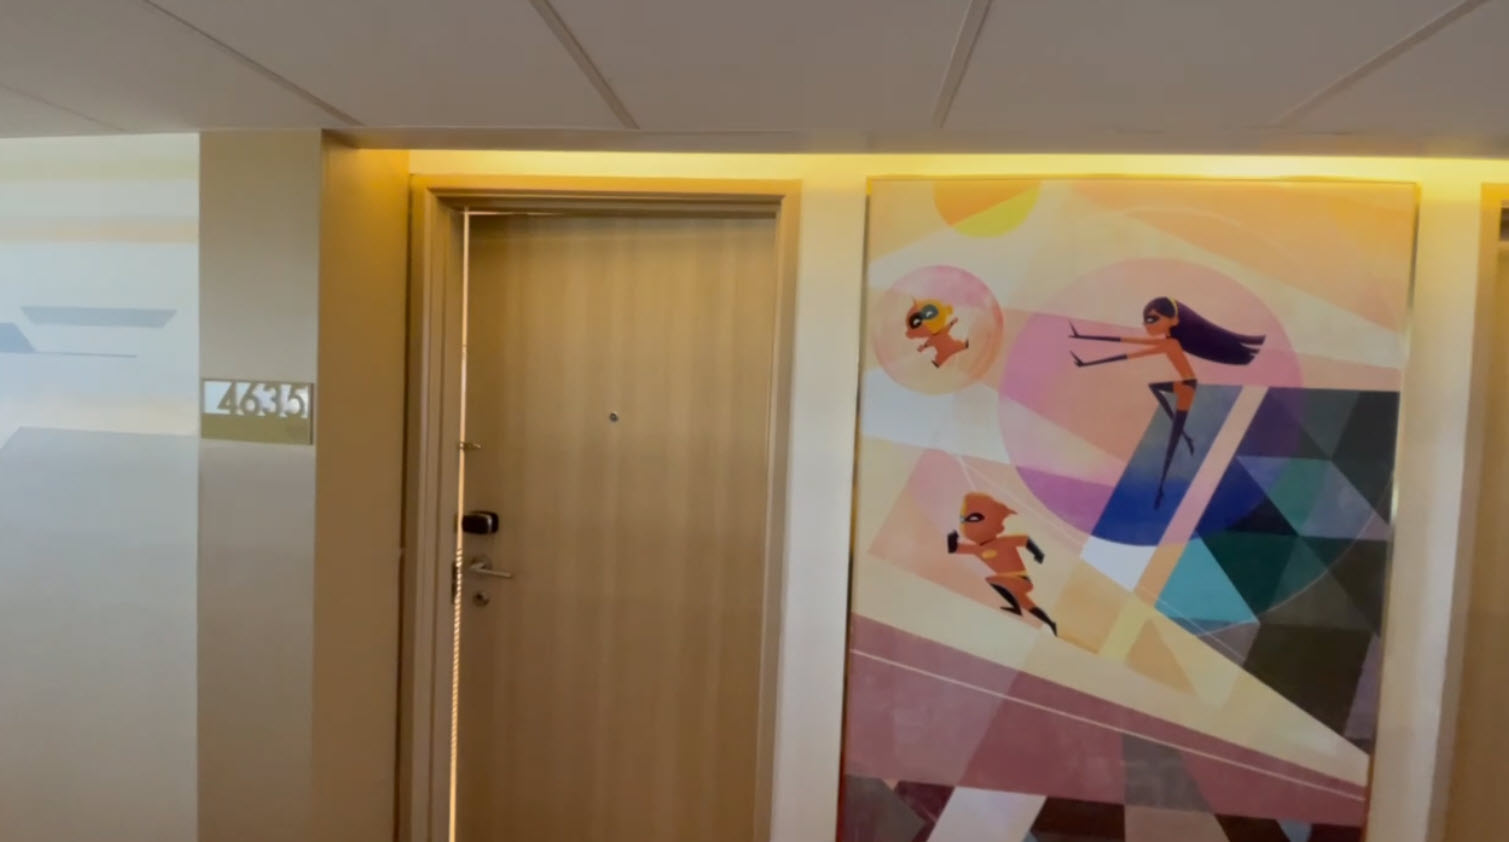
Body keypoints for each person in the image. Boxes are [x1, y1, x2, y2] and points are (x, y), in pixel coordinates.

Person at [1068, 297, 1264, 508]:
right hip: (1182, 383)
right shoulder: (1169, 341)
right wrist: (1084, 344)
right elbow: (1127, 343)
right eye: (1146, 320)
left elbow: (1130, 351)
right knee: (1155, 388)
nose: (1147, 325)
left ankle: (1161, 487)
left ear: (1173, 320)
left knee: (1172, 440)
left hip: (1187, 387)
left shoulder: (1170, 343)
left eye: (1152, 319)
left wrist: (1087, 359)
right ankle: (1186, 437)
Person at [947, 492, 1057, 635]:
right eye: (963, 520)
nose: (966, 524)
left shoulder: (1003, 542)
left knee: (992, 579)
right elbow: (954, 549)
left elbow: (1025, 540)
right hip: (1008, 586)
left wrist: (1038, 554)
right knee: (1029, 606)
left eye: (973, 518)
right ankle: (1051, 623)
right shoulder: (977, 549)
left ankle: (1016, 607)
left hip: (1020, 580)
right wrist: (951, 538)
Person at [904, 298, 969, 367]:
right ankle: (938, 362)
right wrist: (923, 347)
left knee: (954, 347)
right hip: (947, 349)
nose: (925, 322)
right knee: (945, 354)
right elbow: (928, 343)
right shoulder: (936, 335)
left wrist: (952, 322)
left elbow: (929, 342)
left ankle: (963, 346)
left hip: (949, 347)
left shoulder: (937, 335)